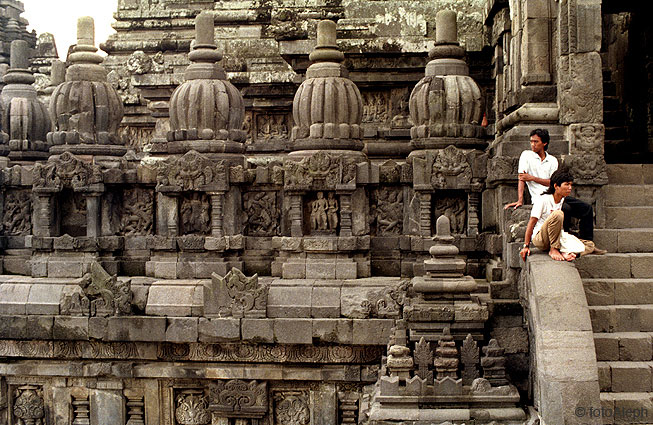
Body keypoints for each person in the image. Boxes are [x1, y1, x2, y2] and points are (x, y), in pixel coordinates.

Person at [505, 128, 605, 253]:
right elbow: (522, 178)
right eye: (531, 141)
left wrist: (532, 178)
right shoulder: (526, 155)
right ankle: (563, 244)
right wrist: (520, 199)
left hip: (557, 194)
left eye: (536, 142)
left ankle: (588, 243)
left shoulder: (552, 160)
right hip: (541, 197)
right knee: (565, 209)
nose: (533, 144)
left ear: (544, 143)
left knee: (586, 209)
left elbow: (553, 182)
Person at [521, 169, 579, 262]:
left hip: (554, 237)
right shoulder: (543, 200)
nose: (570, 188)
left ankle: (564, 251)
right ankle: (554, 249)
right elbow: (531, 223)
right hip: (540, 238)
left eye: (571, 184)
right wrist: (526, 246)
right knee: (557, 214)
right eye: (567, 184)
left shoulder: (562, 200)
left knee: (587, 245)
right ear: (556, 186)